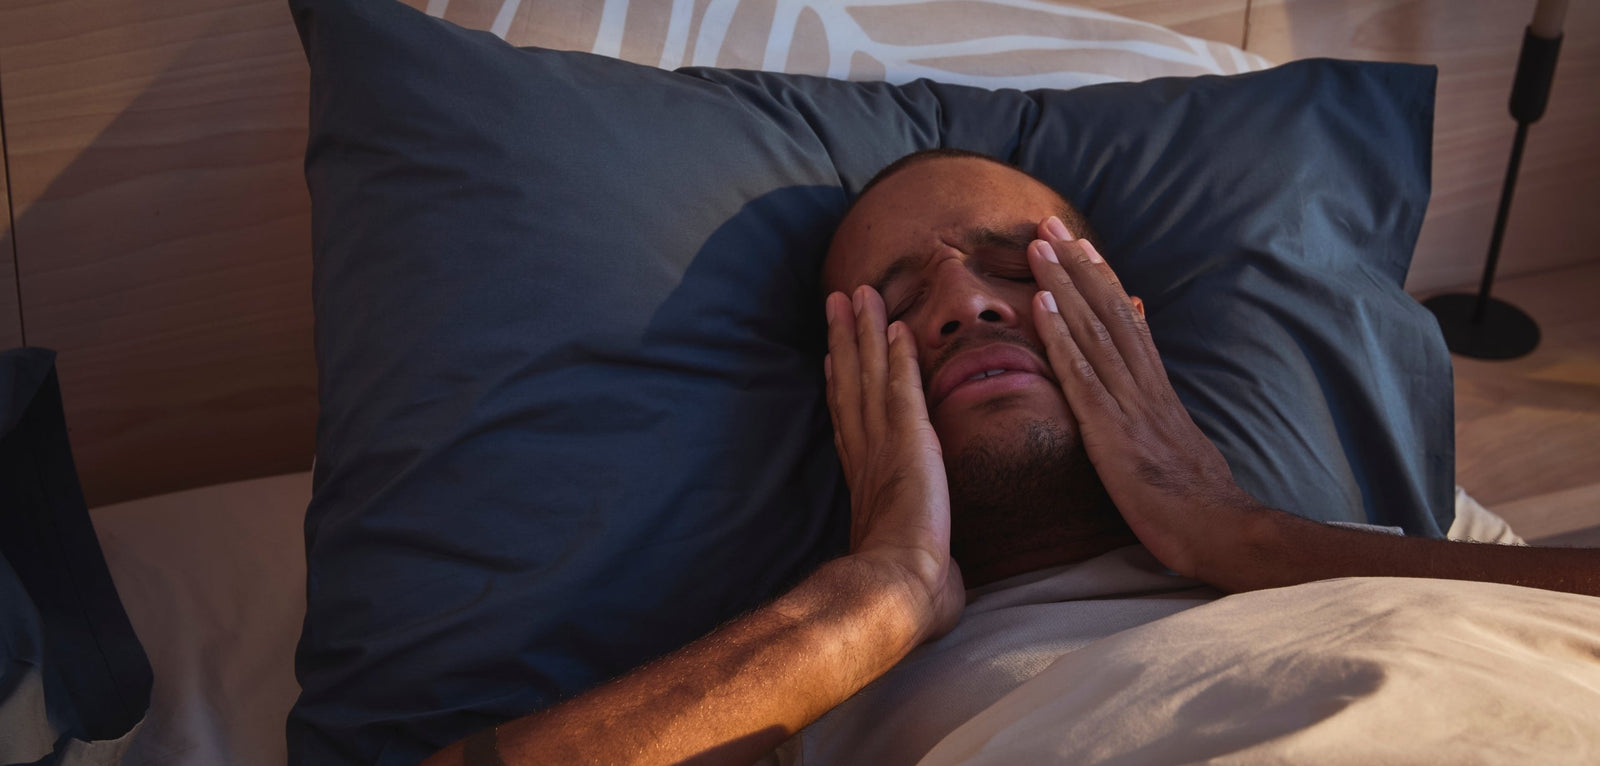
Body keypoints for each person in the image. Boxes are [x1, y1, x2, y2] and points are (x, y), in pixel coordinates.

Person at [423, 149, 1600, 766]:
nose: (960, 304)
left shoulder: (1369, 555)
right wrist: (876, 590)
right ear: (844, 398)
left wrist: (1245, 534)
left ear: (1122, 321)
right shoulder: (808, 696)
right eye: (891, 304)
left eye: (1013, 268)